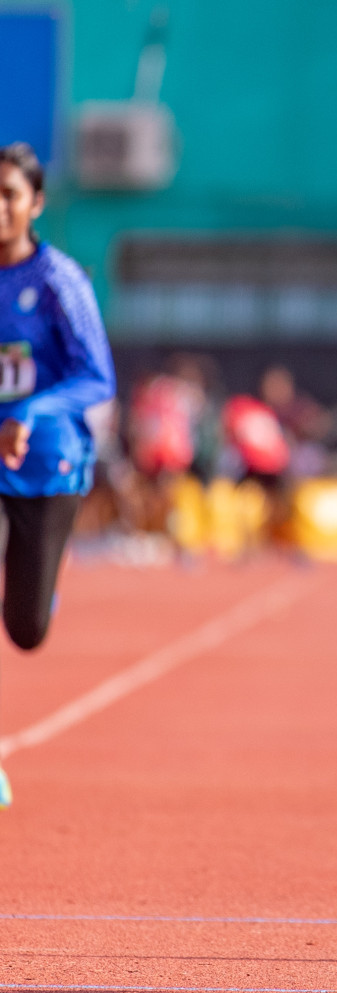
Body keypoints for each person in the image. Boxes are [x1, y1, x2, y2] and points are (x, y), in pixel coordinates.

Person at [0, 142, 117, 805]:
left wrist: (31, 409)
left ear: (34, 204)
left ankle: (37, 592)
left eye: (9, 195)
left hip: (50, 467)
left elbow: (97, 376)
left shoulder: (58, 282)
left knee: (25, 629)